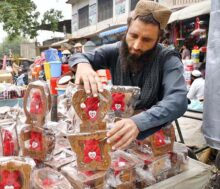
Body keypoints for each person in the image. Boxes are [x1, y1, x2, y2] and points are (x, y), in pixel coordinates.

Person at [69, 1, 188, 150]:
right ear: (127, 29)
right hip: (117, 133)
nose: (137, 46)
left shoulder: (168, 60)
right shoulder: (115, 50)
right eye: (133, 35)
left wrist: (138, 122)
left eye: (147, 40)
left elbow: (178, 100)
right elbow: (79, 57)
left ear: (158, 38)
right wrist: (83, 66)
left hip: (155, 136)